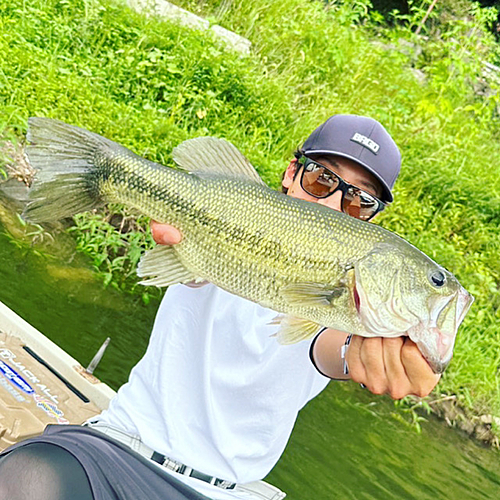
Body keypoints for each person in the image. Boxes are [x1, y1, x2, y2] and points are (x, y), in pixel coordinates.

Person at [0, 115, 439, 500]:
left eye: (358, 201)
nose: (330, 202)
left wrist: (373, 356)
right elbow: (190, 269)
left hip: (223, 492)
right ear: (291, 172)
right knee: (25, 481)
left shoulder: (341, 306)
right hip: (120, 445)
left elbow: (335, 349)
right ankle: (103, 168)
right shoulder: (229, 219)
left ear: (371, 219)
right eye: (321, 179)